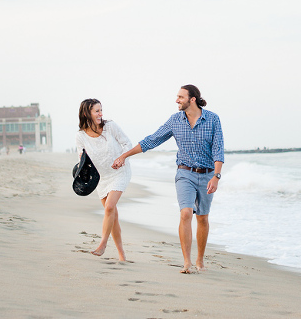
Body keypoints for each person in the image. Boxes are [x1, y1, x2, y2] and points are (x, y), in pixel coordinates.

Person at [113, 85, 224, 274]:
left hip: (207, 174)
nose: (177, 100)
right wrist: (125, 155)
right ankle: (187, 262)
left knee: (203, 218)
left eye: (181, 97)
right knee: (186, 213)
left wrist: (216, 176)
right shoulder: (175, 120)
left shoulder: (212, 119)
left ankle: (200, 259)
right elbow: (152, 140)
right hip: (185, 173)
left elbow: (218, 149)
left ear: (192, 99)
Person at [75, 98, 133, 261]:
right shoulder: (80, 136)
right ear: (86, 114)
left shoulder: (110, 127)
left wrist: (122, 158)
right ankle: (122, 255)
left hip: (119, 172)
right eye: (97, 111)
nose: (101, 114)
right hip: (100, 177)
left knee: (109, 208)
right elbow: (82, 159)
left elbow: (127, 144)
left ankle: (102, 244)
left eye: (101, 110)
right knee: (112, 215)